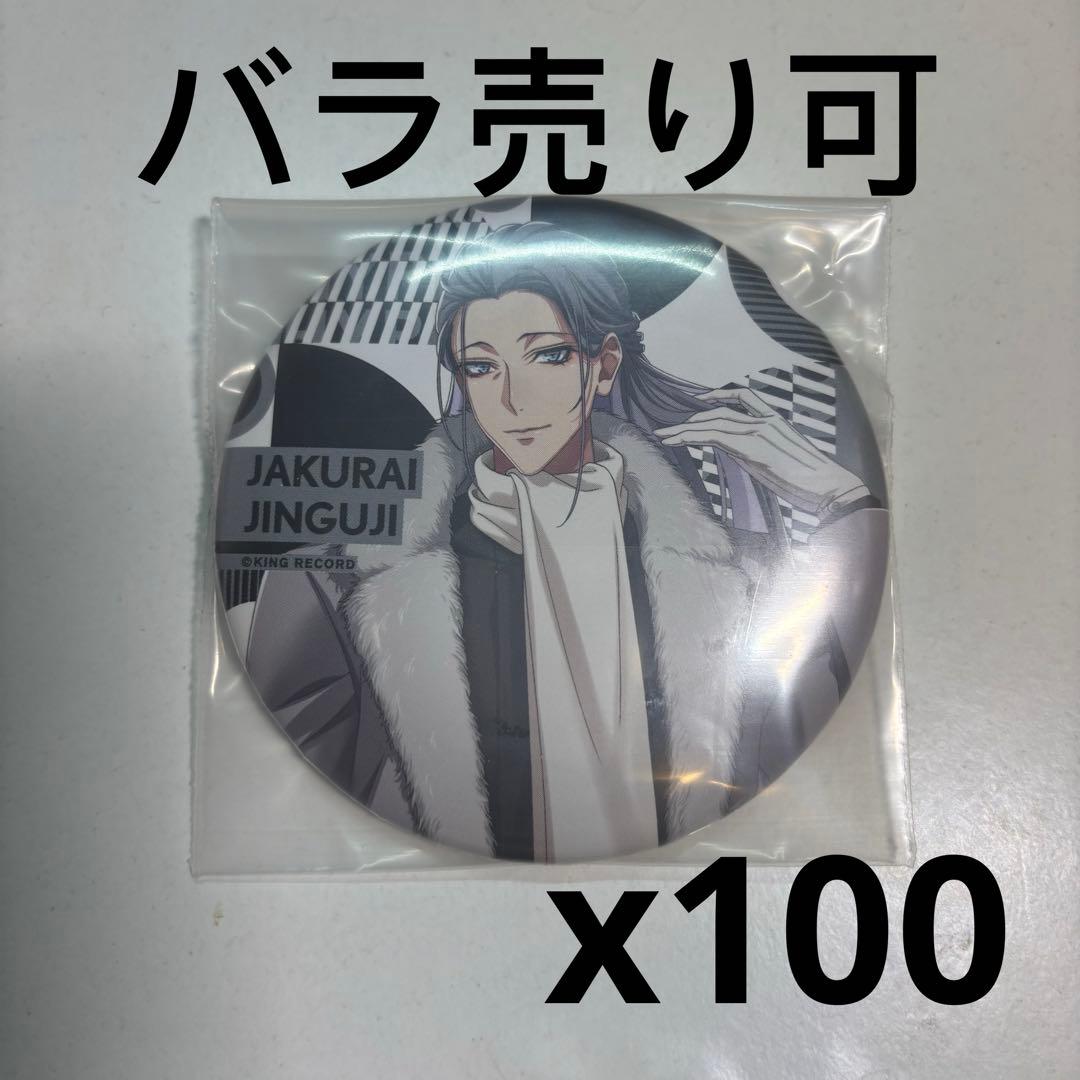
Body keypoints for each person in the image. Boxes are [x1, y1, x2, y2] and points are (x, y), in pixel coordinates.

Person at [241, 222, 887, 861]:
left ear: (603, 366)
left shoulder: (745, 578)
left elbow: (821, 751)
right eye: (480, 366)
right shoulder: (330, 584)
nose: (512, 398)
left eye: (547, 355)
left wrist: (844, 498)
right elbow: (288, 805)